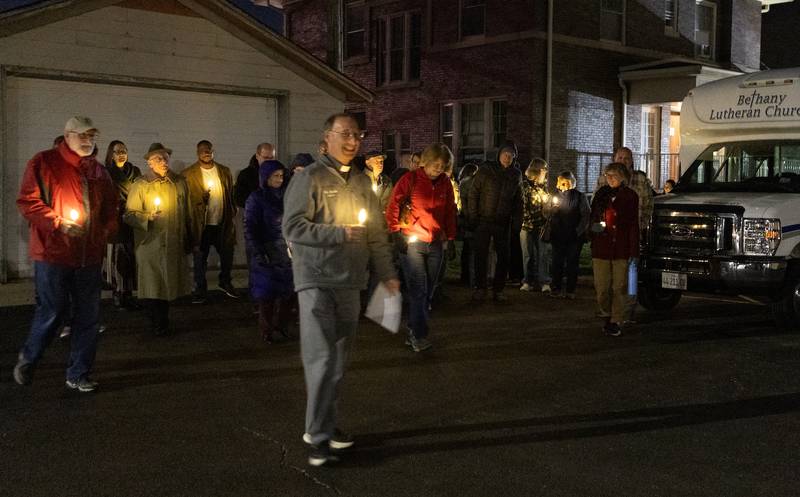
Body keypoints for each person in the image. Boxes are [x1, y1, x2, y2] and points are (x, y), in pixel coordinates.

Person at [283, 113, 400, 467]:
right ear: (327, 137)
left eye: (357, 135)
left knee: (337, 364)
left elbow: (377, 233)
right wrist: (337, 234)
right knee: (320, 361)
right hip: (316, 280)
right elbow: (292, 226)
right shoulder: (311, 178)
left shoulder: (364, 183)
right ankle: (318, 439)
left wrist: (387, 274)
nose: (353, 141)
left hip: (351, 281)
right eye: (345, 134)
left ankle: (326, 426)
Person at [14, 116, 118, 392]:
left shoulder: (99, 172)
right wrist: (58, 223)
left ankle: (79, 373)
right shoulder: (44, 162)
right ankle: (30, 356)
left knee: (89, 317)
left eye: (92, 136)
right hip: (53, 254)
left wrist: (105, 230)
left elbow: (110, 210)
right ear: (67, 135)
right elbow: (28, 202)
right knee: (53, 311)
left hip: (89, 257)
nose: (88, 141)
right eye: (82, 135)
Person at [386, 143, 457, 352]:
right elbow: (393, 204)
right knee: (418, 290)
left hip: (435, 242)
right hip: (412, 242)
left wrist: (451, 238)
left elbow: (450, 211)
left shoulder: (445, 183)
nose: (438, 169)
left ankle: (412, 327)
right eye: (435, 164)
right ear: (426, 162)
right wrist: (395, 231)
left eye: (443, 165)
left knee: (429, 290)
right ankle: (419, 335)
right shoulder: (410, 179)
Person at [124, 143, 192, 336]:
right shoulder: (141, 184)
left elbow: (186, 212)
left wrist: (188, 236)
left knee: (167, 285)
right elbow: (129, 214)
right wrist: (147, 217)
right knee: (153, 285)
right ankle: (157, 323)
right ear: (150, 163)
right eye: (159, 159)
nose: (163, 162)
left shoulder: (178, 182)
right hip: (150, 244)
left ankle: (162, 320)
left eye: (165, 158)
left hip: (172, 242)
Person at [182, 140, 239, 303]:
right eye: (202, 150)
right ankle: (200, 288)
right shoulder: (188, 174)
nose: (206, 152)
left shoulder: (224, 171)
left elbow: (230, 194)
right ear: (197, 152)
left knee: (227, 254)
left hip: (222, 222)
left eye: (209, 150)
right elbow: (186, 200)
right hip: (202, 225)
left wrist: (232, 210)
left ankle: (225, 281)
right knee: (200, 257)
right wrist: (201, 200)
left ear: (213, 151)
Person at [244, 160, 293, 344]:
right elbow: (250, 226)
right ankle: (267, 330)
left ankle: (283, 326)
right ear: (265, 177)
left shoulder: (287, 196)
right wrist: (257, 251)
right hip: (267, 251)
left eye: (281, 175)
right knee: (267, 295)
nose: (279, 179)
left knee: (288, 293)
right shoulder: (256, 198)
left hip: (286, 251)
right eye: (275, 176)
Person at [468, 141, 522, 303]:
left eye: (511, 156)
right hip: (484, 219)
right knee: (481, 255)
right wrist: (473, 216)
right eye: (506, 154)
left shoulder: (516, 174)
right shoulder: (486, 170)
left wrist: (517, 222)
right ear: (499, 154)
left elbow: (519, 201)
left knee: (503, 256)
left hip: (502, 222)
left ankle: (498, 289)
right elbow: (473, 193)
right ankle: (480, 288)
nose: (508, 158)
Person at [590, 162, 639, 337]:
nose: (609, 178)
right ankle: (606, 312)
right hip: (602, 247)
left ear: (622, 177)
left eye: (613, 175)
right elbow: (592, 220)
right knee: (602, 286)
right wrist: (597, 228)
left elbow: (633, 224)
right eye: (607, 175)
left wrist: (633, 250)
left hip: (621, 247)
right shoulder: (600, 195)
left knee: (619, 286)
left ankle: (616, 320)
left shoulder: (630, 196)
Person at [103, 140, 142, 310]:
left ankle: (128, 293)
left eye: (124, 151)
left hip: (132, 219)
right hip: (116, 220)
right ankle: (118, 293)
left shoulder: (134, 171)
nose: (121, 154)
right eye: (118, 151)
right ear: (111, 154)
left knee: (130, 257)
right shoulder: (106, 173)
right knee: (117, 258)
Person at [549, 171, 590, 299]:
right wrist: (552, 210)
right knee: (557, 262)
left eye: (565, 182)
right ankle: (556, 288)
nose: (562, 185)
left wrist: (578, 231)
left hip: (574, 236)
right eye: (560, 181)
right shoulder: (554, 195)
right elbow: (545, 212)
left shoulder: (579, 196)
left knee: (572, 263)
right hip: (558, 234)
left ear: (571, 183)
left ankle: (570, 290)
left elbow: (586, 214)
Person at [519, 158, 553, 293]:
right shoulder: (524, 186)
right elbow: (523, 206)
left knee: (543, 254)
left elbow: (547, 204)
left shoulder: (544, 187)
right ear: (538, 170)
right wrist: (529, 219)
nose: (546, 173)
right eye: (544, 170)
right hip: (527, 226)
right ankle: (527, 281)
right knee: (528, 255)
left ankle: (544, 281)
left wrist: (550, 209)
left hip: (541, 226)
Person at [457, 162, 479, 287]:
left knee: (468, 250)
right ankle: (473, 280)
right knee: (472, 252)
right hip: (472, 221)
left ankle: (466, 277)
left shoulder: (463, 184)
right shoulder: (469, 185)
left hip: (467, 220)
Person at [234, 142, 275, 209]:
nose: (269, 161)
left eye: (271, 158)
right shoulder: (245, 175)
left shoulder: (281, 173)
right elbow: (238, 198)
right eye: (265, 158)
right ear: (257, 156)